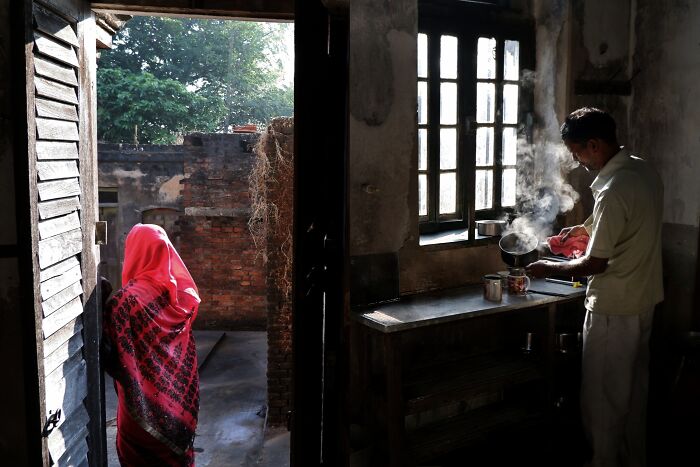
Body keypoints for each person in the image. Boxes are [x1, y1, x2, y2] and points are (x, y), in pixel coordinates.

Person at [526, 107, 663, 467]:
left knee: (603, 401)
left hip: (613, 310)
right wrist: (584, 229)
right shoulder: (642, 169)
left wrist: (549, 267)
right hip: (644, 299)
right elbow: (627, 220)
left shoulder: (613, 189)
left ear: (594, 144)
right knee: (632, 395)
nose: (576, 160)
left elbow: (595, 264)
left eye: (577, 153)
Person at [102, 224, 201, 466]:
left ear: (134, 251)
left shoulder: (123, 303)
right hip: (180, 409)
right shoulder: (180, 297)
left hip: (141, 412)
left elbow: (110, 357)